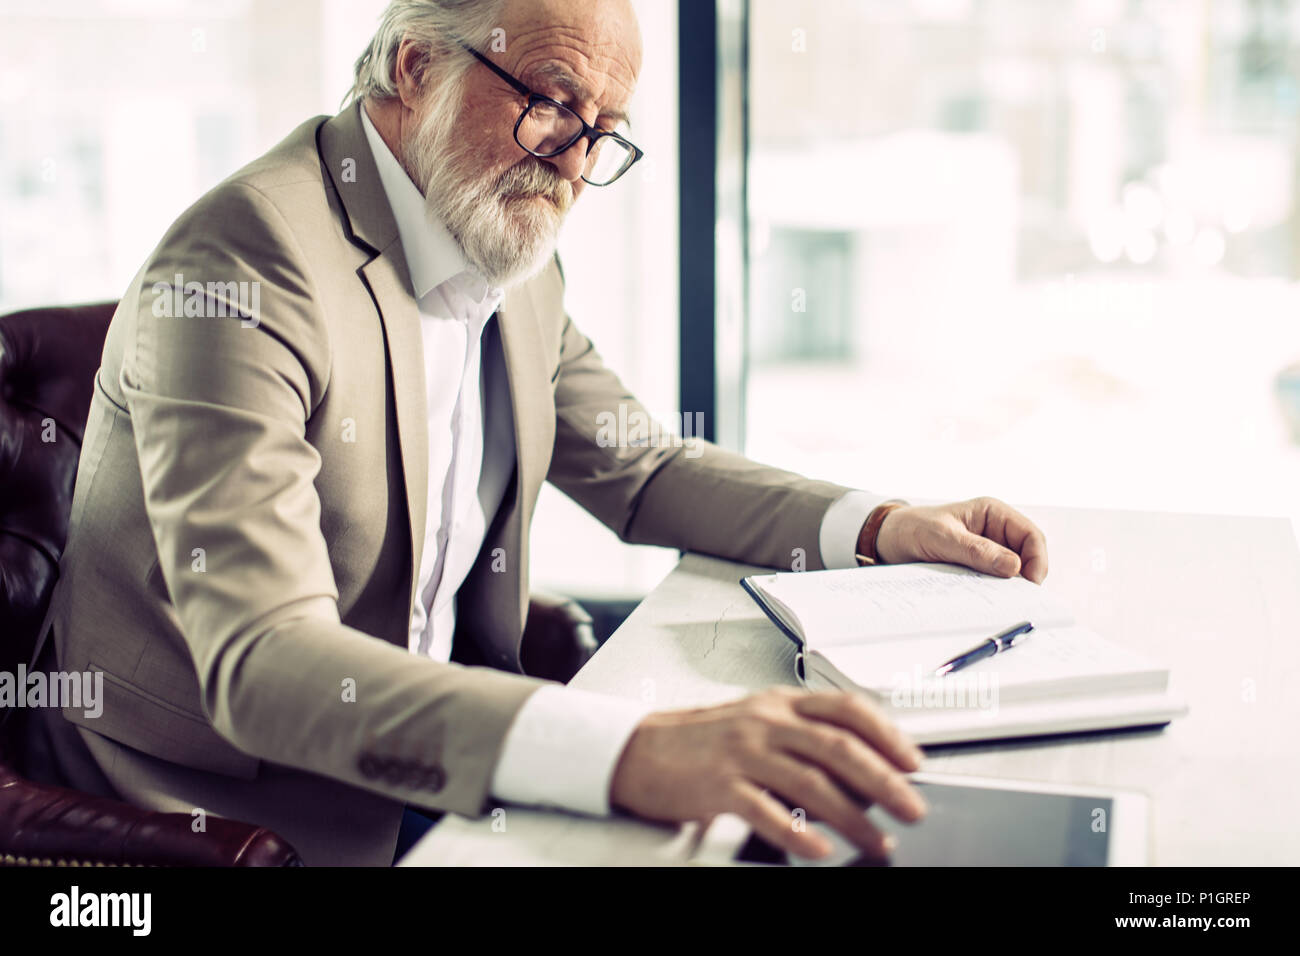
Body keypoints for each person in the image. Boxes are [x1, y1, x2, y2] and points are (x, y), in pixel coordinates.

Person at [23, 0, 1048, 865]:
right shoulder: (242, 264)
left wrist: (881, 525)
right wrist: (628, 749)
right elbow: (262, 657)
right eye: (554, 101)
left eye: (605, 129)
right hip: (223, 809)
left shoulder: (500, 238)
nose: (574, 159)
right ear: (415, 66)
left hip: (440, 754)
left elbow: (642, 469)